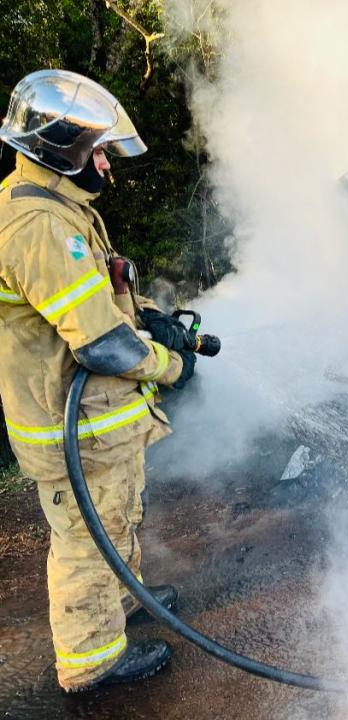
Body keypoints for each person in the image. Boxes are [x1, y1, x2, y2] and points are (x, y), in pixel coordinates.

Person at [0, 69, 196, 692]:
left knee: (117, 516)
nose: (108, 164)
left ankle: (125, 598)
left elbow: (99, 300)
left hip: (98, 424)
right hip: (73, 426)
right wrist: (171, 367)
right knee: (89, 540)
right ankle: (92, 660)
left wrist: (150, 317)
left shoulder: (57, 205)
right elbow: (103, 344)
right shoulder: (39, 227)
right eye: (100, 151)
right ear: (64, 152)